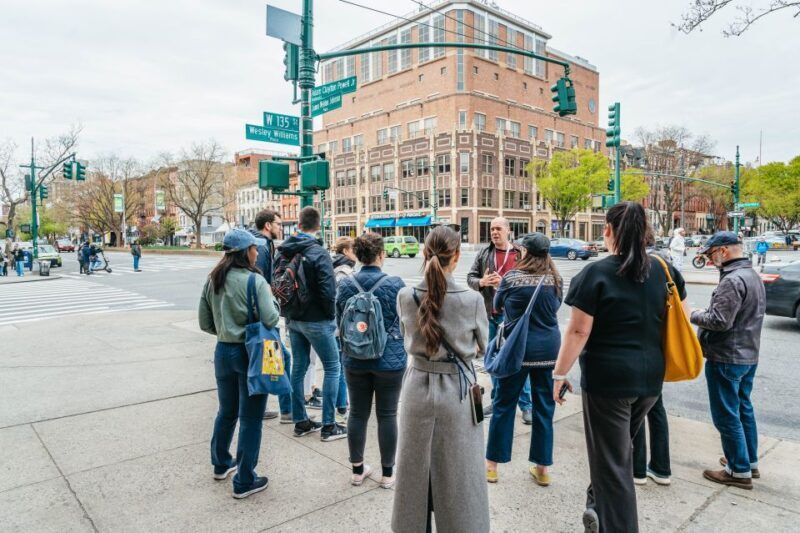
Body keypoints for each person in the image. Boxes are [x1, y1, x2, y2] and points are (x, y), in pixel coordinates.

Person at [551, 202, 689, 533]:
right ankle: (596, 508)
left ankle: (614, 522)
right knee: (617, 451)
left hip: (608, 381)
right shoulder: (663, 268)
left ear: (610, 230)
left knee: (613, 464)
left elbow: (579, 331)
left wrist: (559, 374)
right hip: (650, 381)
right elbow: (679, 313)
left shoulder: (596, 273)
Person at [394, 225, 490, 533]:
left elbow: (408, 334)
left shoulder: (405, 295)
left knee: (413, 468)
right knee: (459, 472)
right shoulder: (471, 300)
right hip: (457, 391)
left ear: (424, 253)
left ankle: (411, 525)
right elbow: (483, 346)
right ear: (457, 256)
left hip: (416, 386)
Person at [198, 228, 280, 499]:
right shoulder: (254, 281)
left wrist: (226, 330)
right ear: (246, 252)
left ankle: (221, 463)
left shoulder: (213, 280)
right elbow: (270, 319)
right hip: (251, 354)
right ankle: (245, 480)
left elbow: (205, 322)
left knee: (227, 411)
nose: (257, 252)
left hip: (223, 351)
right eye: (254, 248)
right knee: (251, 418)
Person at [485, 232, 562, 487]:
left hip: (516, 350)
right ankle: (542, 469)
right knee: (544, 409)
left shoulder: (511, 278)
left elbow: (497, 306)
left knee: (503, 405)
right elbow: (556, 307)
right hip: (548, 352)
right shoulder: (555, 279)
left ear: (526, 252)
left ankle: (492, 467)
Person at [691, 231, 766, 490]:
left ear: (723, 251)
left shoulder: (732, 280)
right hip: (747, 354)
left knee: (726, 415)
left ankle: (737, 469)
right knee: (744, 409)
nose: (710, 260)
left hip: (726, 356)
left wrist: (694, 314)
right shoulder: (751, 275)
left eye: (711, 254)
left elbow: (719, 321)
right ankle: (748, 461)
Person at [335, 232, 406, 489]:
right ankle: (387, 474)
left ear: (359, 256)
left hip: (355, 357)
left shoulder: (345, 285)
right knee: (387, 413)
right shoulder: (396, 284)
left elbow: (339, 320)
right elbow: (407, 320)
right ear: (380, 255)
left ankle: (357, 470)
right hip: (390, 360)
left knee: (357, 412)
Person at [279, 207, 345, 442]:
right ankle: (329, 425)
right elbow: (329, 291)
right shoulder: (318, 252)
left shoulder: (284, 251)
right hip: (317, 319)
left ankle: (301, 421)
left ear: (298, 223)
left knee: (298, 367)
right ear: (318, 224)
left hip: (293, 318)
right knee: (332, 366)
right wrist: (330, 317)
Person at [467, 216, 533, 422]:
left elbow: (532, 280)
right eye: (492, 229)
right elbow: (470, 278)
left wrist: (506, 282)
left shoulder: (521, 254)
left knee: (518, 361)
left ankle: (526, 406)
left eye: (498, 228)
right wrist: (482, 281)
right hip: (491, 316)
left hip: (513, 317)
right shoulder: (485, 253)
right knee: (493, 362)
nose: (494, 232)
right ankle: (498, 402)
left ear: (508, 230)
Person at [250, 209, 292, 423]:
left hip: (257, 318)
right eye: (277, 223)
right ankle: (287, 411)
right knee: (281, 358)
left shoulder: (255, 242)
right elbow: (261, 282)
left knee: (267, 362)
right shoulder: (264, 246)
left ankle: (261, 406)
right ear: (267, 225)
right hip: (264, 318)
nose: (279, 227)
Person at [331, 236, 358, 421]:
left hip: (334, 323)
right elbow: (341, 300)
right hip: (338, 325)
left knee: (338, 365)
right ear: (346, 251)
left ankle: (341, 403)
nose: (355, 252)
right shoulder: (343, 271)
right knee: (339, 366)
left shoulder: (335, 267)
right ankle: (341, 405)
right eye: (353, 249)